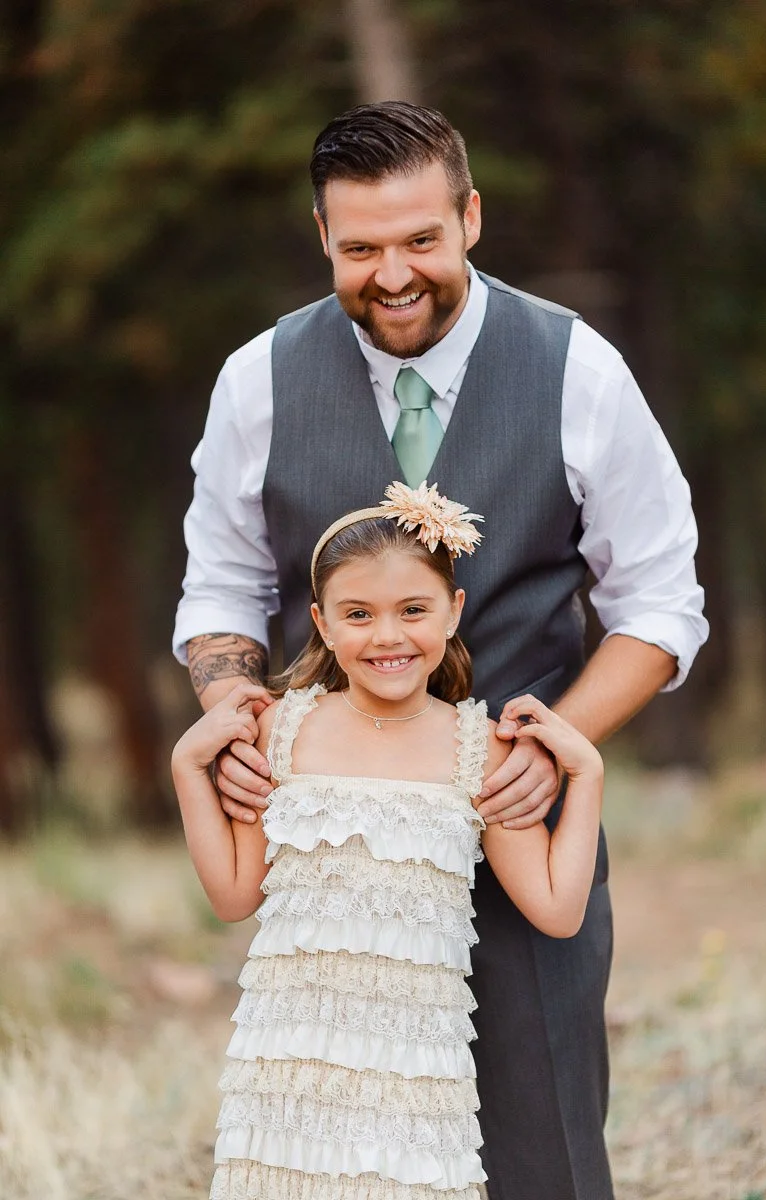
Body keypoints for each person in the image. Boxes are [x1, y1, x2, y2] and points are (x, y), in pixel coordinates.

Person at [173, 102, 708, 1199]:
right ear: (321, 236)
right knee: (344, 1151)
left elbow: (658, 604)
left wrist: (556, 746)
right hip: (341, 867)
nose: (394, 274)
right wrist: (230, 711)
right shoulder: (256, 380)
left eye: (421, 239)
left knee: (543, 1154)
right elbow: (222, 588)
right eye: (361, 247)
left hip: (517, 816)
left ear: (470, 217)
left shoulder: (577, 369)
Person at [172, 484, 605, 1200]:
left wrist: (583, 770)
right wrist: (188, 765)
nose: (388, 637)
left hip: (414, 1080)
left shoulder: (480, 748)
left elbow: (558, 908)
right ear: (322, 622)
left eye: (413, 610)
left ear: (453, 611)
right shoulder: (281, 730)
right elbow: (231, 896)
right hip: (289, 1073)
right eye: (358, 615)